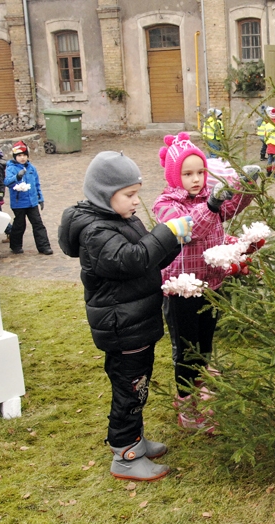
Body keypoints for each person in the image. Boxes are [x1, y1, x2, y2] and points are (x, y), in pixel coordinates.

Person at [58, 151, 191, 482]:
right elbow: (132, 259)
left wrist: (173, 241)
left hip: (136, 322)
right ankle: (125, 454)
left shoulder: (121, 219)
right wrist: (166, 232)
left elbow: (149, 256)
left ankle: (135, 438)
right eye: (129, 195)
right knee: (130, 389)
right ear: (105, 195)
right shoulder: (95, 231)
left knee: (138, 385)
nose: (135, 201)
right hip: (122, 328)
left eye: (136, 193)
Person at [152, 133, 256, 431]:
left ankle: (200, 382)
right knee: (186, 349)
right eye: (188, 174)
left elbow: (230, 208)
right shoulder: (166, 204)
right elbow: (189, 230)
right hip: (181, 290)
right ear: (175, 176)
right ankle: (186, 405)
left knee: (205, 340)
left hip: (212, 284)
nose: (196, 179)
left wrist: (246, 188)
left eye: (200, 172)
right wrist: (211, 204)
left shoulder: (207, 198)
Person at [3, 141, 53, 255]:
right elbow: (7, 182)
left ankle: (44, 246)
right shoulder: (11, 168)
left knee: (38, 224)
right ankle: (15, 245)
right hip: (18, 202)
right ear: (15, 156)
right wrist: (17, 177)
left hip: (32, 202)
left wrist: (40, 198)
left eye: (24, 155)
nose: (22, 158)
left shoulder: (31, 168)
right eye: (19, 155)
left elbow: (37, 184)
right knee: (19, 225)